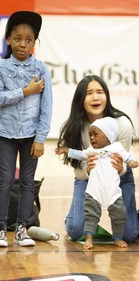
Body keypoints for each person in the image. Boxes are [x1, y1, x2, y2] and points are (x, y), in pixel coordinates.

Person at [0, 11, 52, 247]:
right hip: (6, 134)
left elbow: (47, 106)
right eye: (17, 38)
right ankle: (0, 230)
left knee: (27, 181)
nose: (23, 43)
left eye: (28, 39)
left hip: (31, 136)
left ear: (34, 42)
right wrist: (25, 91)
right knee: (5, 180)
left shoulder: (42, 69)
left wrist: (41, 138)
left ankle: (22, 229)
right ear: (8, 40)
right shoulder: (0, 68)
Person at [57, 75, 139, 243]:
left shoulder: (122, 123)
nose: (95, 97)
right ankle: (74, 218)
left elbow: (123, 161)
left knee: (130, 235)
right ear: (81, 99)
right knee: (75, 230)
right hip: (89, 179)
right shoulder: (75, 127)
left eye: (100, 92)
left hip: (119, 178)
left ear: (107, 96)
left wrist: (121, 168)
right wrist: (87, 170)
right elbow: (79, 170)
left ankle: (131, 218)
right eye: (89, 93)